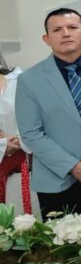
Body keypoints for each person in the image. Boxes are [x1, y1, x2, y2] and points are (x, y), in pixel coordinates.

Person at [15, 9, 81, 219]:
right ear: (46, 39)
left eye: (72, 27)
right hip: (55, 178)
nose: (65, 33)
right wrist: (72, 166)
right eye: (57, 30)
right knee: (60, 239)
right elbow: (31, 133)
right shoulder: (29, 80)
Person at [0, 53, 31, 213]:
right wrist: (2, 144)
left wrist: (19, 140)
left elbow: (38, 116)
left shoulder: (20, 79)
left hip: (26, 158)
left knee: (23, 217)